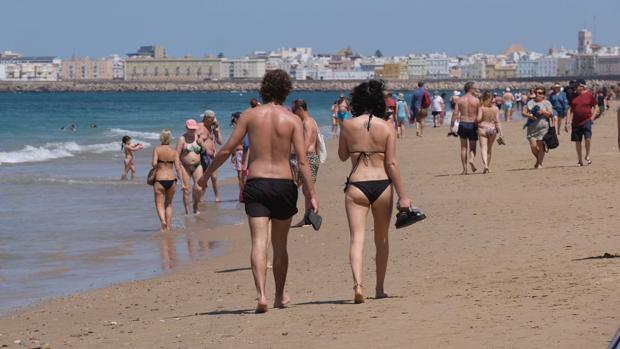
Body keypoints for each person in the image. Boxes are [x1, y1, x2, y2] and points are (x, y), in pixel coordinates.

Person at [198, 69, 318, 313]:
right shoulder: (292, 119)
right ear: (286, 91)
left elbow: (226, 149)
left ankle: (261, 295)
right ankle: (279, 296)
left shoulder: (250, 116)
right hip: (284, 184)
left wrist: (207, 175)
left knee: (258, 242)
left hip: (257, 183)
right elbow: (303, 162)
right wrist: (311, 194)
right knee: (280, 245)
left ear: (263, 89)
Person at [338, 79, 418, 304]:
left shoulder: (348, 125)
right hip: (382, 184)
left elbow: (343, 156)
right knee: (381, 239)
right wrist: (403, 196)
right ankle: (380, 288)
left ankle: (358, 285)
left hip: (356, 186)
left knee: (357, 238)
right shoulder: (386, 127)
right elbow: (391, 163)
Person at [290, 99, 320, 228]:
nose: (293, 114)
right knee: (306, 190)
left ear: (300, 109)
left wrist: (296, 156)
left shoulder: (307, 122)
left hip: (308, 158)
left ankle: (309, 218)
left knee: (307, 189)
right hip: (311, 157)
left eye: (294, 111)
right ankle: (307, 218)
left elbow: (306, 143)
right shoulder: (311, 120)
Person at [151, 129, 186, 232]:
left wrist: (158, 162)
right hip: (171, 180)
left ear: (161, 137)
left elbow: (153, 164)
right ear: (170, 138)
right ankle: (169, 225)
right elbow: (178, 168)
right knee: (169, 204)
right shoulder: (174, 152)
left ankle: (163, 222)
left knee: (159, 204)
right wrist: (183, 184)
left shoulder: (157, 149)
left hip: (159, 180)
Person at [565, 79, 598, 166]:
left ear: (582, 86)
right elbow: (569, 110)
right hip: (575, 122)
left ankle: (587, 155)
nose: (574, 88)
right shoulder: (573, 96)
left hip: (587, 121)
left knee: (588, 139)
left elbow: (596, 107)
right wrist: (567, 122)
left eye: (576, 86)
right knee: (578, 142)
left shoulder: (589, 95)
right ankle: (580, 160)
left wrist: (592, 118)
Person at [176, 119, 205, 214]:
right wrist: (177, 167)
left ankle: (195, 206)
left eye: (194, 129)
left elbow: (205, 150)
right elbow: (176, 155)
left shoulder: (198, 137)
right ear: (186, 128)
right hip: (185, 166)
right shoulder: (182, 139)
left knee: (199, 188)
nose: (192, 130)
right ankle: (187, 212)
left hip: (197, 165)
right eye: (190, 129)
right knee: (186, 190)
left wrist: (202, 143)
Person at [451, 82, 480, 175]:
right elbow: (479, 115)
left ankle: (464, 169)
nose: (475, 89)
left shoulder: (459, 100)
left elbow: (455, 113)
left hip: (462, 124)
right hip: (472, 125)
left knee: (463, 148)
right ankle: (471, 160)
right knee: (472, 148)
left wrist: (452, 125)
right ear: (471, 88)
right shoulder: (476, 100)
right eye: (474, 88)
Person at [522, 86, 553, 169]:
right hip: (532, 128)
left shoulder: (547, 103)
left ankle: (540, 164)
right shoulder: (530, 102)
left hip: (543, 128)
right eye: (536, 92)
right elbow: (523, 113)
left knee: (541, 145)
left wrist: (543, 112)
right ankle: (539, 159)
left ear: (543, 95)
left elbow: (550, 114)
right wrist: (530, 116)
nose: (537, 94)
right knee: (533, 146)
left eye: (539, 93)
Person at [197, 110, 223, 202]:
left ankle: (217, 197)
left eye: (214, 119)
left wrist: (217, 130)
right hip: (204, 155)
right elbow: (198, 140)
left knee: (214, 177)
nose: (213, 120)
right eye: (212, 119)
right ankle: (200, 198)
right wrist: (206, 149)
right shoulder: (200, 126)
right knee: (205, 177)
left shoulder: (212, 127)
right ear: (206, 118)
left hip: (213, 155)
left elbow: (220, 142)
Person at [476, 91, 503, 173]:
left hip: (483, 129)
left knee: (484, 148)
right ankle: (488, 166)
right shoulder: (496, 108)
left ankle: (485, 165)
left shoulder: (481, 108)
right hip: (492, 129)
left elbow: (478, 119)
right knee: (489, 149)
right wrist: (501, 133)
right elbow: (497, 122)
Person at [230, 113, 246, 201]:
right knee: (244, 173)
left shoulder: (236, 129)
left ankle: (242, 194)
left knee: (240, 175)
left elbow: (233, 144)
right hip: (243, 152)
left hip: (239, 152)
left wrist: (232, 155)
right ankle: (243, 193)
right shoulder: (244, 127)